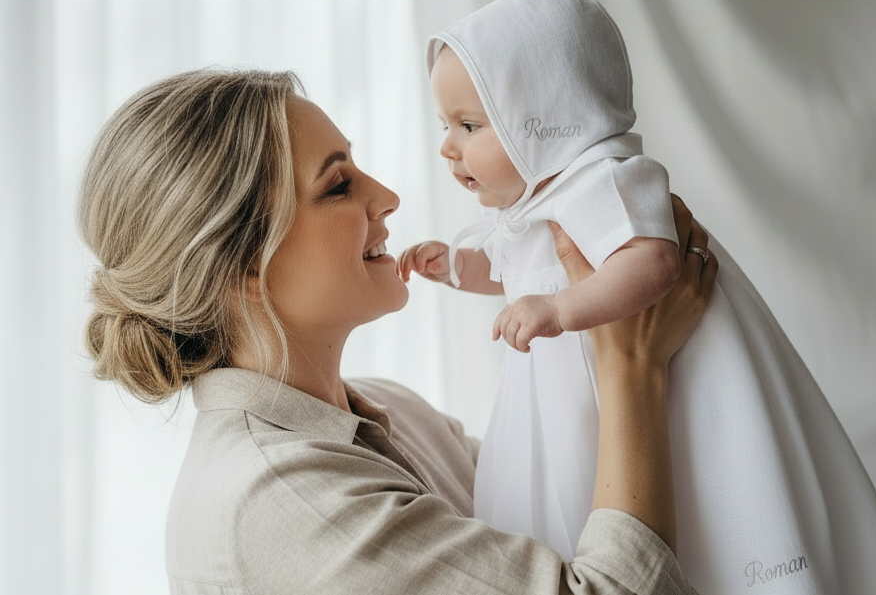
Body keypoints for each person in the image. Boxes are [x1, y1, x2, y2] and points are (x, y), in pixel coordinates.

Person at [77, 67, 718, 594]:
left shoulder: (393, 412)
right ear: (242, 263)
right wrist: (632, 364)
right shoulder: (282, 501)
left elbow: (551, 504)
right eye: (338, 185)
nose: (387, 197)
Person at [397, 0, 876, 594]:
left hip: (670, 381)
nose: (447, 147)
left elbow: (651, 263)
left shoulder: (604, 181)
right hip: (573, 393)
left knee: (706, 503)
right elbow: (518, 271)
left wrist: (561, 308)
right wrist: (456, 268)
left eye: (469, 124)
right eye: (445, 126)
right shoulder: (534, 206)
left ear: (548, 117)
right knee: (569, 498)